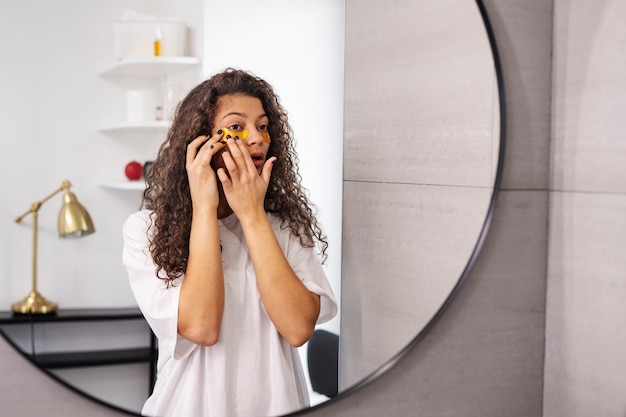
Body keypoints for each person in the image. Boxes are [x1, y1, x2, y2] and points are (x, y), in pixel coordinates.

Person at [122, 68, 337, 417]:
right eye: (236, 127)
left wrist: (252, 214)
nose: (256, 138)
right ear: (200, 141)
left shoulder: (285, 227)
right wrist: (204, 208)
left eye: (263, 126)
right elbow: (201, 327)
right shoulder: (145, 230)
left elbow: (298, 329)